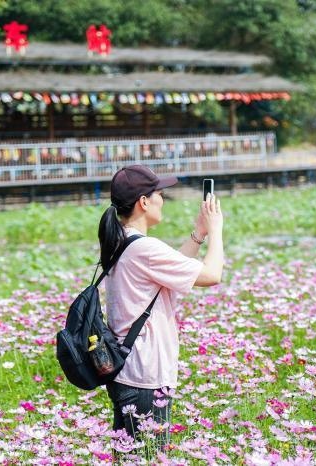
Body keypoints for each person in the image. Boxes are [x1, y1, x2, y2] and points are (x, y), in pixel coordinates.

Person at [97, 164, 224, 449]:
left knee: (133, 456)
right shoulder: (145, 248)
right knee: (149, 456)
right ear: (144, 202)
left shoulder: (123, 241)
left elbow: (170, 273)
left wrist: (199, 234)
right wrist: (216, 231)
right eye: (159, 194)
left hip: (129, 372)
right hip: (145, 375)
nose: (162, 200)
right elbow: (212, 275)